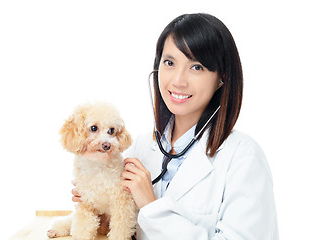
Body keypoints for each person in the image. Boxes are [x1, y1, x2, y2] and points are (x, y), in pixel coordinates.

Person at [72, 13, 279, 239]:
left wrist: (151, 206)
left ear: (221, 78)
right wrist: (96, 198)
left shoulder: (243, 158)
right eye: (169, 63)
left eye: (197, 67)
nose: (178, 80)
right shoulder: (141, 147)